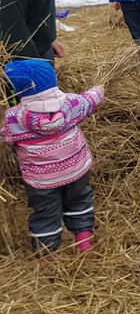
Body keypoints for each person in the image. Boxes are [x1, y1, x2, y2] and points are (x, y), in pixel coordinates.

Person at [1, 59, 105, 255]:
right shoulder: (72, 103)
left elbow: (5, 138)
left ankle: (47, 257)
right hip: (76, 169)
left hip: (41, 180)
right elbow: (91, 100)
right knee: (79, 201)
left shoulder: (12, 118)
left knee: (45, 213)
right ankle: (84, 243)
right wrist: (99, 90)